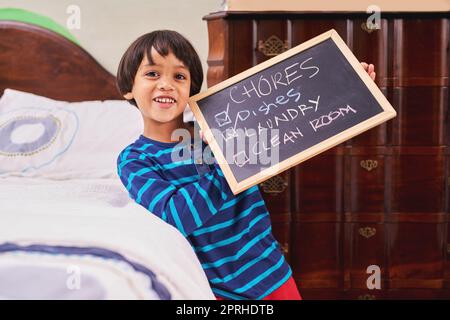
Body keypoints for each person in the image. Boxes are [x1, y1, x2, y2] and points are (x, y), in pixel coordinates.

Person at [116, 30, 376, 300]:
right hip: (211, 288)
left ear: (191, 90)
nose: (166, 84)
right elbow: (176, 216)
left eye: (179, 76)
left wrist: (350, 87)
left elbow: (297, 129)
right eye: (152, 74)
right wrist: (229, 161)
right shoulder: (134, 160)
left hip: (270, 271)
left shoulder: (223, 132)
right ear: (128, 88)